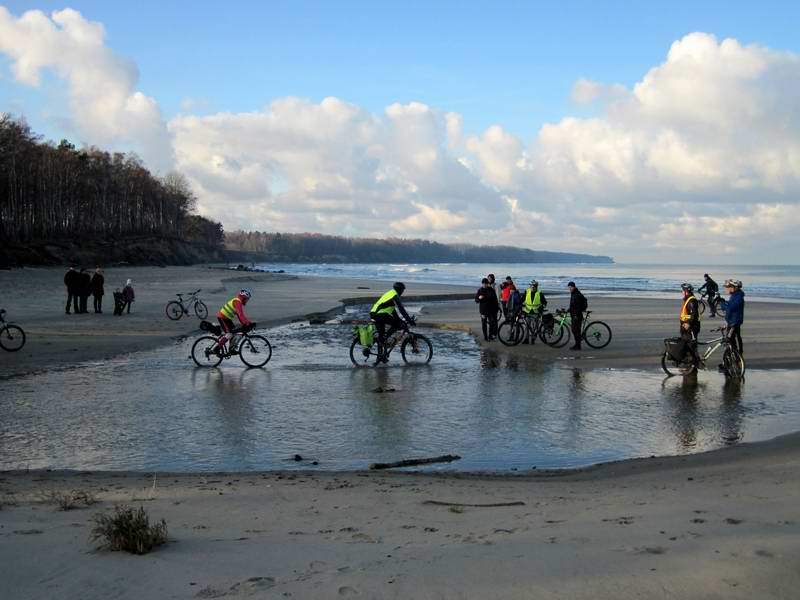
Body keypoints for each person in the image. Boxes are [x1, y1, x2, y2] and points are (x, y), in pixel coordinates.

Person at [370, 282, 413, 361]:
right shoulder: (394, 295)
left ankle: (380, 357)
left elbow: (393, 312)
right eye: (402, 290)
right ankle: (386, 338)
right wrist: (409, 320)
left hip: (374, 314)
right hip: (380, 314)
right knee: (397, 325)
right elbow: (401, 309)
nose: (402, 292)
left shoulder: (390, 294)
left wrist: (400, 320)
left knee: (381, 336)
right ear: (399, 290)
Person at [215, 289, 253, 354]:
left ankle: (231, 350)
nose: (247, 301)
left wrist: (248, 323)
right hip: (222, 317)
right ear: (243, 297)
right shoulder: (238, 302)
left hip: (227, 318)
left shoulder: (238, 301)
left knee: (234, 333)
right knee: (229, 334)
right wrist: (247, 323)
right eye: (247, 299)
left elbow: (240, 316)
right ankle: (216, 349)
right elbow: (241, 315)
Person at [719, 279, 745, 356]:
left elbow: (731, 308)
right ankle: (730, 360)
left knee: (729, 340)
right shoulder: (734, 296)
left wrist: (722, 304)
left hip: (734, 322)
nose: (726, 289)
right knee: (731, 340)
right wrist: (724, 302)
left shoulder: (738, 297)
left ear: (734, 288)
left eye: (728, 287)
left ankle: (735, 358)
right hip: (731, 321)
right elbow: (730, 306)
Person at [679, 282, 701, 364]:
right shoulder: (687, 299)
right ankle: (691, 362)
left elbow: (694, 314)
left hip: (691, 327)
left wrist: (689, 324)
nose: (681, 292)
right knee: (687, 345)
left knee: (691, 346)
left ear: (686, 291)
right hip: (686, 327)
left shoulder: (691, 301)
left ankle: (694, 363)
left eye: (682, 290)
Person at [522, 280, 547, 344]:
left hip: (536, 313)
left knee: (535, 327)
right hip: (527, 312)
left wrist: (541, 308)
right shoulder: (527, 292)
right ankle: (526, 339)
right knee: (527, 327)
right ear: (530, 286)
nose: (533, 287)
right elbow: (522, 300)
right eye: (531, 286)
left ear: (537, 286)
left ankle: (533, 339)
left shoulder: (539, 293)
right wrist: (518, 304)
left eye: (534, 286)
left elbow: (544, 303)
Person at [567, 281, 588, 351]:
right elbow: (573, 305)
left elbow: (578, 306)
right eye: (569, 287)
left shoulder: (577, 294)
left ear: (574, 287)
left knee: (576, 330)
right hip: (574, 315)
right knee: (574, 330)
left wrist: (576, 315)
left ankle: (578, 346)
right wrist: (568, 310)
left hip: (577, 316)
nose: (569, 288)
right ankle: (577, 344)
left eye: (571, 287)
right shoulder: (573, 293)